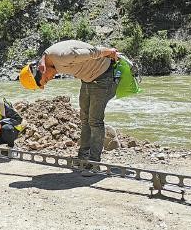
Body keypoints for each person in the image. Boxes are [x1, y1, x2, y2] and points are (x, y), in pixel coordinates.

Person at [20, 40, 120, 175]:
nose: (51, 79)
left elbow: (93, 52)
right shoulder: (47, 59)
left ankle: (94, 164)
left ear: (42, 70)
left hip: (103, 77)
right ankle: (83, 158)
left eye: (46, 79)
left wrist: (110, 52)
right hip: (88, 79)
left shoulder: (63, 56)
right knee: (85, 119)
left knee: (95, 121)